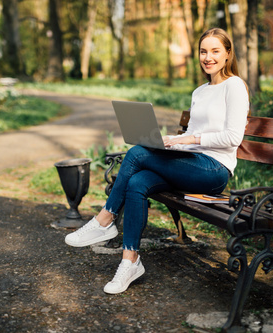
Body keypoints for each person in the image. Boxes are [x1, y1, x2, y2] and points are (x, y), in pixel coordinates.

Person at [64, 27, 249, 294]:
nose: (208, 57)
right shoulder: (200, 91)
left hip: (214, 170)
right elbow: (190, 136)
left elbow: (232, 137)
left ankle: (105, 220)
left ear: (228, 54)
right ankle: (131, 261)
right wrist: (169, 143)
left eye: (215, 51)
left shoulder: (235, 86)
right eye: (203, 51)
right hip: (191, 162)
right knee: (138, 181)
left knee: (137, 153)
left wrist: (188, 139)